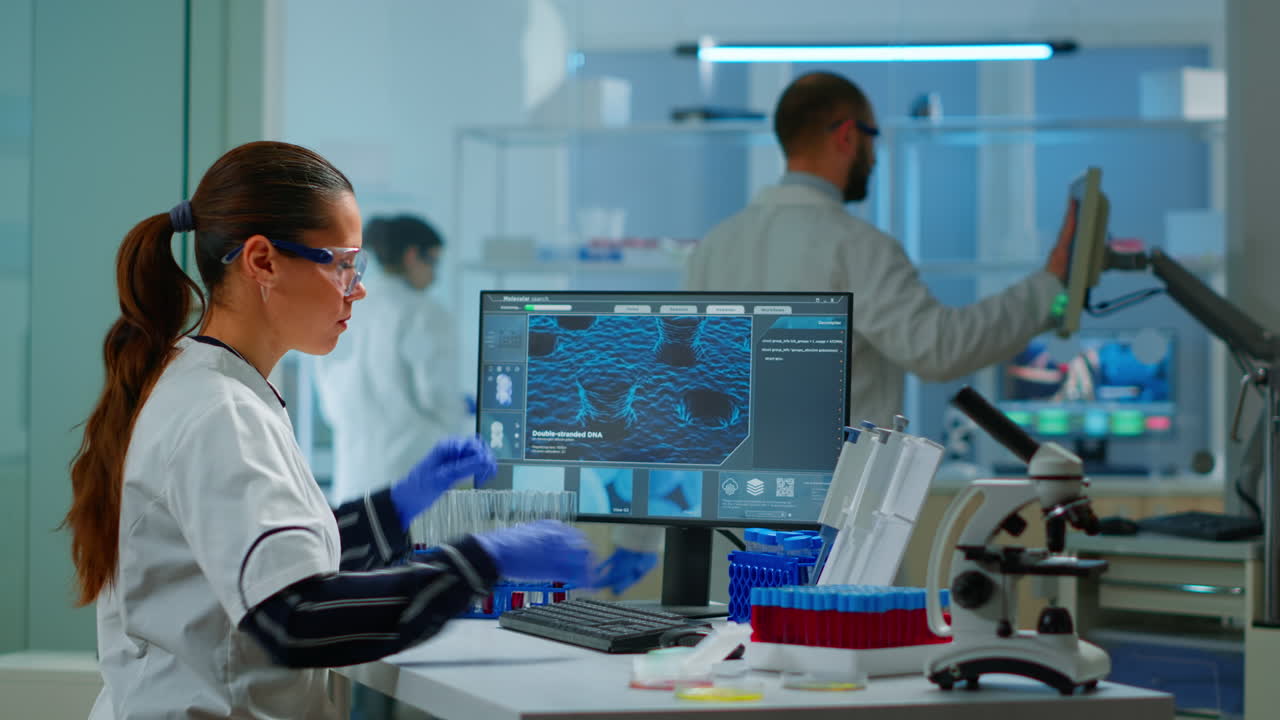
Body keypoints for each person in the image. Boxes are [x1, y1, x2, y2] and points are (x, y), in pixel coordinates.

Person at [65, 140, 595, 720]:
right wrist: (479, 561)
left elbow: (272, 557)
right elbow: (295, 616)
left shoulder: (205, 380)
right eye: (342, 263)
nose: (357, 286)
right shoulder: (220, 412)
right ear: (263, 261)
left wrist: (395, 508)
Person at [687, 71, 1076, 427]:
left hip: (739, 478)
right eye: (872, 137)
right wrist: (1049, 286)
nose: (873, 156)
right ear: (847, 136)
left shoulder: (714, 246)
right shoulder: (857, 246)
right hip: (840, 480)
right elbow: (940, 348)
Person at [314, 214, 468, 506]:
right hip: (411, 480)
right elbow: (438, 396)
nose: (435, 276)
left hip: (353, 481)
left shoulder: (345, 308)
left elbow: (330, 402)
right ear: (412, 256)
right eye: (433, 262)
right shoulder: (425, 314)